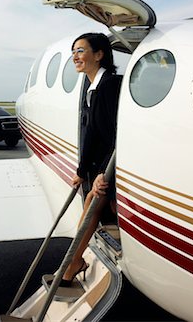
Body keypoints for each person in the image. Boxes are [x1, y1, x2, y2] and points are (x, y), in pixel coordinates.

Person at [59, 32, 122, 287]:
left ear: (99, 54)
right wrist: (81, 170)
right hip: (103, 166)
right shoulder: (93, 88)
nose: (75, 56)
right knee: (90, 208)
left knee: (92, 208)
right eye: (73, 51)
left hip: (114, 165)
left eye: (81, 50)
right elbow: (93, 135)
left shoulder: (109, 86)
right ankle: (73, 262)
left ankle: (73, 264)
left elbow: (116, 136)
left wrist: (101, 175)